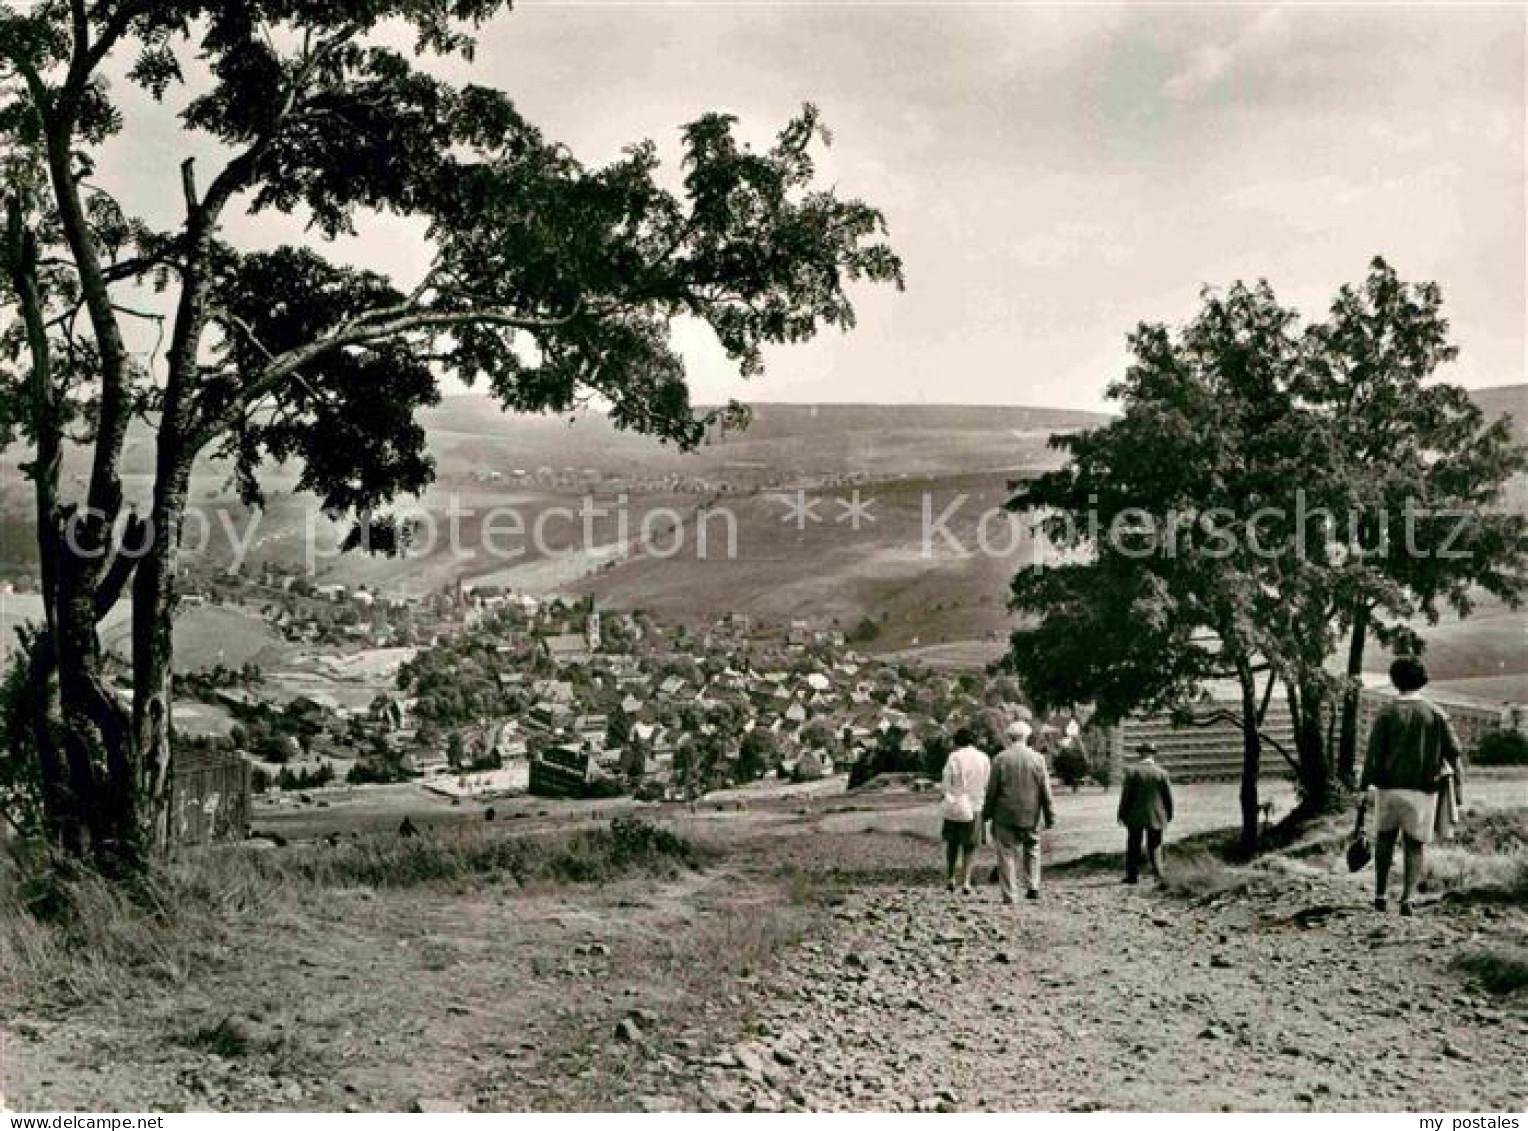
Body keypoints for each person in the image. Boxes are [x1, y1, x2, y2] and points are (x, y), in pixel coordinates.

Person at [1360, 656, 1465, 917]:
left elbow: (1372, 754)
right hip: (1422, 790)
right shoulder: (1435, 713)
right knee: (1414, 844)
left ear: (1394, 681)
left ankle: (1380, 895)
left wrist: (1363, 788)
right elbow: (1455, 752)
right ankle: (1407, 898)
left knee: (1384, 841)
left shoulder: (1385, 713)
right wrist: (1459, 792)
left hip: (1388, 789)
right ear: (1422, 680)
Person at [982, 719, 1056, 902]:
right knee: (1032, 849)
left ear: (1009, 737)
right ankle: (1033, 886)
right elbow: (1045, 790)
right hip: (1031, 814)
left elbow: (992, 790)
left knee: (1006, 853)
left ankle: (1010, 894)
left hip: (1005, 814)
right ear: (1027, 737)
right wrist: (1050, 815)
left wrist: (987, 813)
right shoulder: (1038, 759)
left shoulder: (1000, 759)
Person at [940, 726, 992, 894]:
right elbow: (987, 782)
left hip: (956, 804)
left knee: (953, 843)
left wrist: (950, 795)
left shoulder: (953, 757)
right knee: (971, 845)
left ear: (957, 741)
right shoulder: (983, 758)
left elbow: (946, 782)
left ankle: (950, 877)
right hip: (975, 805)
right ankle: (967, 880)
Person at [1117, 742, 1174, 884]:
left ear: (1140, 754)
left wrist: (1121, 813)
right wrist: (1169, 814)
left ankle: (1132, 876)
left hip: (1135, 815)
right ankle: (1159, 875)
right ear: (1153, 754)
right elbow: (1168, 797)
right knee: (1155, 845)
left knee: (1133, 845)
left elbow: (1126, 796)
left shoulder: (1132, 772)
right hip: (1156, 815)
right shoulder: (1162, 773)